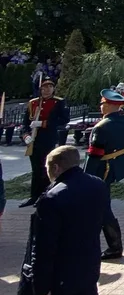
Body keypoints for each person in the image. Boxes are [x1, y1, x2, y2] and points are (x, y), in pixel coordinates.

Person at [17, 145, 113, 295]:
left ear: (56, 167)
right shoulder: (97, 185)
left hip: (53, 275)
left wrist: (41, 286)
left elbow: (43, 246)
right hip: (84, 268)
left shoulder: (51, 198)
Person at [84, 89, 124, 261]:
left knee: (101, 208)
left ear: (111, 105)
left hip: (101, 168)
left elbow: (94, 155)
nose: (100, 106)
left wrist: (85, 176)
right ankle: (112, 246)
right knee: (103, 204)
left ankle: (114, 246)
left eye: (103, 103)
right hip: (115, 165)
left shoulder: (101, 127)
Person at [19, 77, 69, 208]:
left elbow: (64, 119)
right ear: (40, 89)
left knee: (46, 168)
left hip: (48, 139)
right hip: (33, 140)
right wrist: (25, 136)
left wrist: (44, 123)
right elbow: (24, 123)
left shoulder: (58, 102)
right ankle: (33, 196)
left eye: (50, 87)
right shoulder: (33, 103)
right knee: (35, 169)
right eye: (44, 87)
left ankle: (46, 195)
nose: (47, 90)